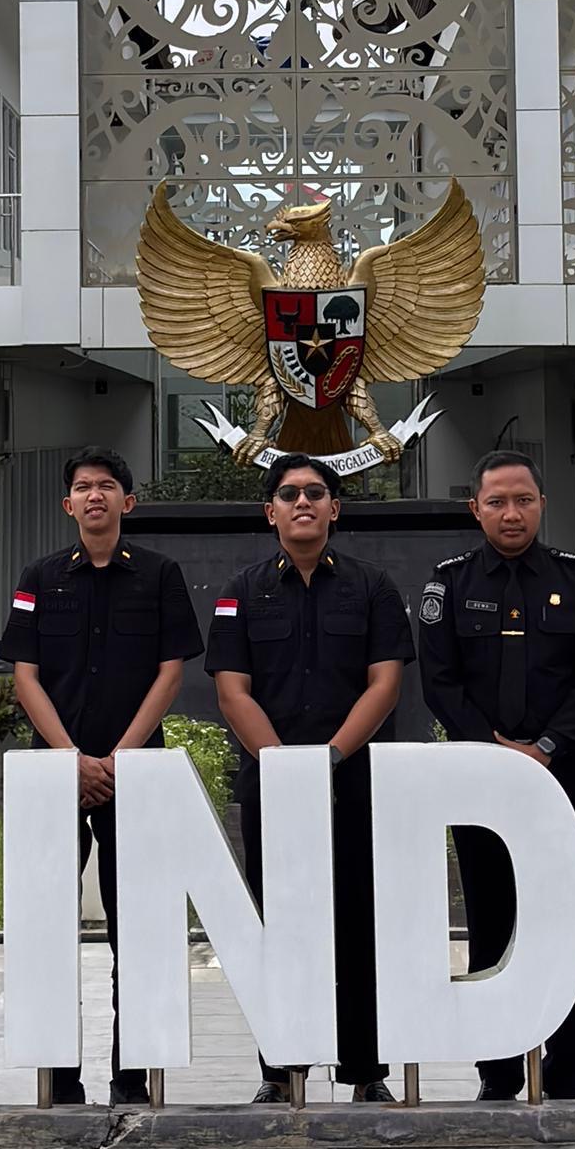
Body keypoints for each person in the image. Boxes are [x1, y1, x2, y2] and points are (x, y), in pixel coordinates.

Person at [1, 447, 202, 1108]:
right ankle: (58, 1076)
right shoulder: (37, 578)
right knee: (48, 928)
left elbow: (172, 670)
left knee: (137, 927)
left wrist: (117, 756)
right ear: (68, 504)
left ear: (127, 502)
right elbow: (24, 674)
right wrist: (72, 760)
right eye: (83, 487)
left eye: (107, 486)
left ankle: (131, 1073)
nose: (94, 496)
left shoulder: (160, 574)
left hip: (135, 771)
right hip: (51, 777)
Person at [208, 456, 410, 1103]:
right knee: (278, 927)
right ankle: (281, 1069)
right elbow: (231, 691)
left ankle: (365, 1071)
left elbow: (385, 683)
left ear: (335, 509)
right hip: (271, 785)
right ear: (270, 511)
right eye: (289, 493)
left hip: (352, 782)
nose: (303, 502)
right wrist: (284, 768)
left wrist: (327, 759)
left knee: (358, 924)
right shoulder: (240, 591)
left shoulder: (372, 588)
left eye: (316, 493)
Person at [417, 448, 575, 1098]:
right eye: (497, 501)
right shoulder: (449, 584)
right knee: (491, 916)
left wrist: (548, 745)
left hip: (562, 771)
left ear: (542, 505)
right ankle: (497, 1069)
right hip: (479, 776)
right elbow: (439, 682)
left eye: (523, 500)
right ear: (475, 508)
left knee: (559, 916)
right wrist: (492, 748)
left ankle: (567, 1074)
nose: (511, 513)